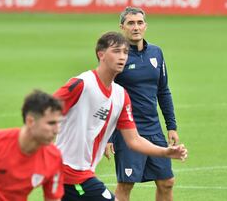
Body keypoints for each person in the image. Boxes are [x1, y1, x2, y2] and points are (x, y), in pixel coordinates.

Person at [53, 31, 187, 201]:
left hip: (83, 174)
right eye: (116, 51)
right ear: (101, 55)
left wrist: (165, 152)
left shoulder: (120, 96)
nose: (122, 56)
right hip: (68, 174)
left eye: (125, 52)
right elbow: (43, 110)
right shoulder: (82, 84)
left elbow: (134, 140)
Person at [104, 7, 179, 201]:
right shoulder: (116, 56)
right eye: (130, 23)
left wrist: (171, 126)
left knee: (166, 181)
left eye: (139, 23)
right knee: (126, 184)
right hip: (127, 130)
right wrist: (108, 136)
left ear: (145, 26)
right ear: (122, 27)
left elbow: (163, 90)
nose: (136, 27)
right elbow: (106, 96)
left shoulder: (156, 53)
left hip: (153, 129)